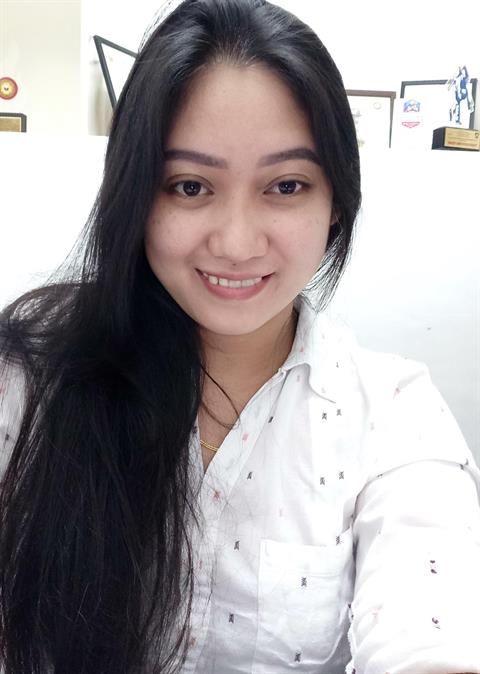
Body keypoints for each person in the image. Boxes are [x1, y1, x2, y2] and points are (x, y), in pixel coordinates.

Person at [0, 0, 479, 672]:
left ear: (335, 200)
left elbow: (430, 627)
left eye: (285, 185)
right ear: (136, 194)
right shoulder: (29, 376)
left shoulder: (392, 416)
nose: (235, 242)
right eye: (190, 186)